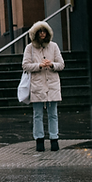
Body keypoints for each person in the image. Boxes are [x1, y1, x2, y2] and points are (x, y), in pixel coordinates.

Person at [22, 20, 64, 152]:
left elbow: (61, 64)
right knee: (38, 114)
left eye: (44, 31)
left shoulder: (54, 46)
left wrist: (51, 64)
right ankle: (39, 140)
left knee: (53, 114)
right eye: (40, 31)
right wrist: (39, 65)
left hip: (52, 84)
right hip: (37, 85)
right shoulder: (30, 48)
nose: (42, 34)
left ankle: (54, 139)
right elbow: (25, 65)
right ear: (35, 34)